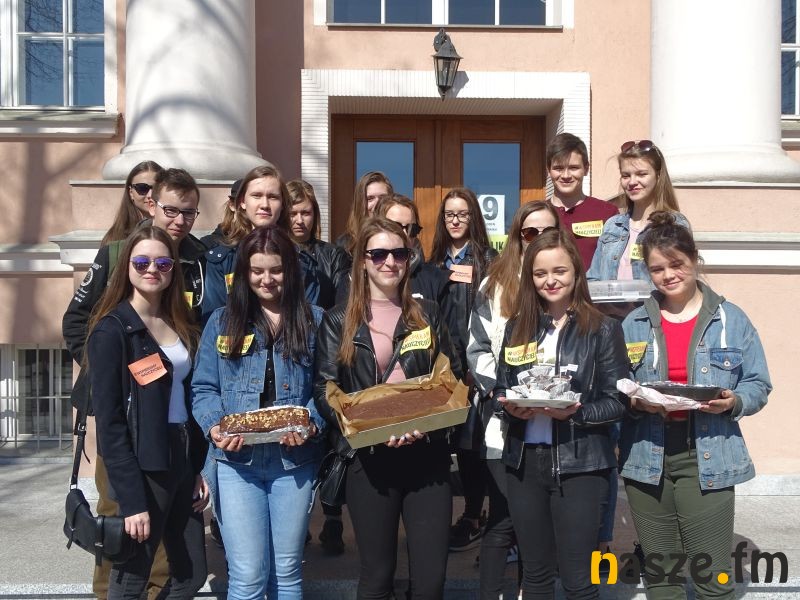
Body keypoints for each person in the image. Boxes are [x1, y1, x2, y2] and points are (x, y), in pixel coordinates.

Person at [62, 168, 206, 600]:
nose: (153, 269)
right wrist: (106, 371)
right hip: (138, 451)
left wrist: (197, 466)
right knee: (127, 567)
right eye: (142, 263)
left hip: (178, 451)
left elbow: (187, 391)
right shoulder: (113, 329)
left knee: (186, 573)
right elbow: (111, 426)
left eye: (162, 264)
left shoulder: (179, 316)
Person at [619, 212, 771, 599]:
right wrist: (635, 400)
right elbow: (617, 386)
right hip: (647, 455)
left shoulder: (730, 319)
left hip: (708, 454)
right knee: (662, 577)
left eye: (676, 264)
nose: (668, 275)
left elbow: (758, 383)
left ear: (694, 258)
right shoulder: (634, 323)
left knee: (712, 577)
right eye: (657, 269)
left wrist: (734, 401)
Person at [314, 217, 461, 599]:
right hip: (369, 460)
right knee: (377, 578)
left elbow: (453, 376)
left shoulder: (427, 314)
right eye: (378, 253)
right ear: (362, 261)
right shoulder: (339, 320)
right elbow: (325, 388)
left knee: (430, 583)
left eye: (399, 253)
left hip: (427, 457)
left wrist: (427, 424)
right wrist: (371, 426)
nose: (390, 262)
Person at [494, 229, 628, 599]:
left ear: (576, 273)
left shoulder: (602, 329)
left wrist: (576, 413)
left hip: (580, 466)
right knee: (535, 577)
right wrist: (510, 408)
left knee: (578, 580)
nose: (550, 280)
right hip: (524, 465)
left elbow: (619, 401)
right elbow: (501, 389)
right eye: (540, 273)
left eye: (559, 271)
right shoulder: (517, 327)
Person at [192, 226, 324, 599]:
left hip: (293, 463)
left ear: (290, 270)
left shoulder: (314, 320)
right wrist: (215, 427)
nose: (267, 279)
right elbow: (204, 388)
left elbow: (328, 388)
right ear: (244, 272)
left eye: (276, 270)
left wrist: (310, 423)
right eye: (257, 270)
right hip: (236, 465)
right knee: (248, 575)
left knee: (287, 572)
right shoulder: (221, 321)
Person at [466, 200, 560, 599]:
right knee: (506, 517)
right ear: (517, 237)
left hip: (553, 422)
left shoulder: (564, 282)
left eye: (547, 232)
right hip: (502, 422)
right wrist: (502, 393)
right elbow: (476, 348)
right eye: (529, 233)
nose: (537, 239)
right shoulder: (494, 284)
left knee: (531, 520)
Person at [428, 187, 498, 552]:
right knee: (444, 445)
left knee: (472, 446)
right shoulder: (434, 261)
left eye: (462, 214)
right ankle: (437, 518)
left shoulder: (489, 260)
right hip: (441, 369)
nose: (455, 221)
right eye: (449, 215)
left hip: (474, 369)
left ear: (474, 217)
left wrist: (477, 368)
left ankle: (474, 515)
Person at [201, 164, 319, 324]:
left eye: (273, 197)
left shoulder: (301, 262)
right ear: (242, 202)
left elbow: (308, 323)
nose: (265, 205)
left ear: (283, 204)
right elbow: (214, 323)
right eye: (256, 196)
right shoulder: (221, 261)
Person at [587, 140, 689, 282]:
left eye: (641, 174)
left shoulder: (675, 223)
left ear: (658, 176)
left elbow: (680, 278)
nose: (632, 182)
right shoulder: (612, 225)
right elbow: (593, 277)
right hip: (610, 298)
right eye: (626, 176)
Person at [545, 133, 618, 269]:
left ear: (586, 169)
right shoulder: (536, 214)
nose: (566, 175)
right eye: (558, 168)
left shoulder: (607, 213)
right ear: (548, 170)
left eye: (573, 168)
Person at [287, 178, 352, 309]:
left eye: (305, 213)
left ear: (315, 214)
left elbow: (342, 306)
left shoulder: (334, 255)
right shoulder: (271, 252)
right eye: (292, 214)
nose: (299, 220)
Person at [374, 194, 449, 305]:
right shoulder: (357, 279)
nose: (405, 235)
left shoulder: (435, 279)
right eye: (395, 227)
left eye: (412, 229)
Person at [102, 161, 164, 246]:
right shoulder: (114, 238)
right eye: (142, 188)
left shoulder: (175, 232)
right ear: (131, 192)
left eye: (156, 188)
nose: (150, 195)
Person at [335, 171, 393, 254]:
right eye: (370, 198)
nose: (377, 204)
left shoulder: (405, 238)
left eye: (383, 198)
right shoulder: (345, 244)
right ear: (360, 204)